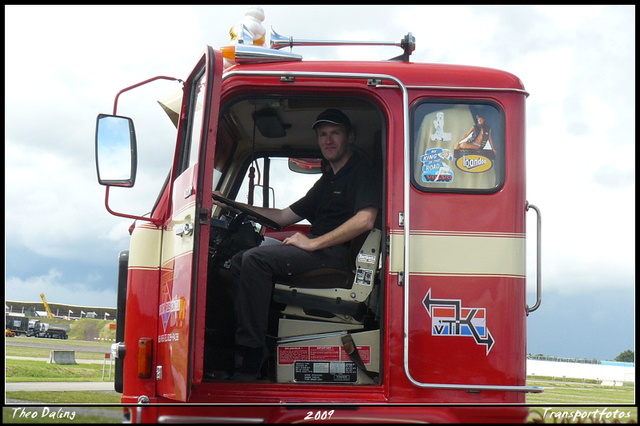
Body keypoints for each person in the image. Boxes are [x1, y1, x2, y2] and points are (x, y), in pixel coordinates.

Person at [212, 108, 381, 380]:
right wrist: (230, 203)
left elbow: (365, 220)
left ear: (349, 137)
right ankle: (254, 343)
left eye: (335, 133)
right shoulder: (328, 180)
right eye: (323, 135)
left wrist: (314, 244)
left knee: (254, 260)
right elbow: (282, 217)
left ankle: (252, 352)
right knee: (243, 259)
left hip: (335, 256)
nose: (328, 140)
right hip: (321, 250)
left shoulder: (362, 172)